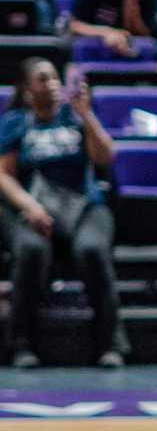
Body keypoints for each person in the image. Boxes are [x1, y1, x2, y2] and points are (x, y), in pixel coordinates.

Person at [0, 60, 125, 368]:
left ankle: (112, 343)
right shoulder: (16, 122)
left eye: (56, 78)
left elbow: (105, 158)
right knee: (31, 251)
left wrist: (87, 116)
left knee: (92, 250)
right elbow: (3, 174)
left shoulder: (75, 117)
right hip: (33, 209)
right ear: (28, 90)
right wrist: (30, 207)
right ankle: (22, 345)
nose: (53, 84)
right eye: (43, 79)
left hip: (84, 207)